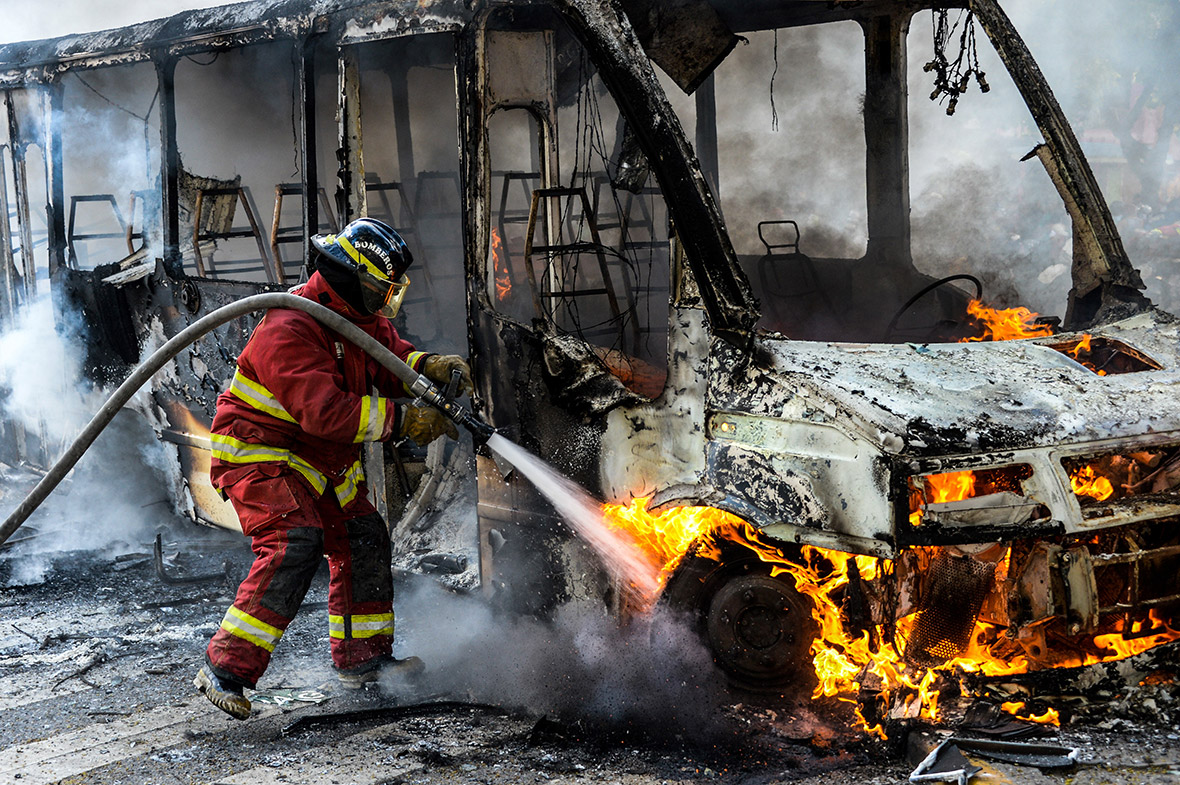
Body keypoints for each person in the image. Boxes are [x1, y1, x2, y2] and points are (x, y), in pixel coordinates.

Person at [193, 217, 471, 720]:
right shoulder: (289, 326)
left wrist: (426, 364)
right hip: (261, 457)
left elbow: (386, 354)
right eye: (381, 289)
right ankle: (225, 669)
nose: (386, 301)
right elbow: (326, 412)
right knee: (294, 541)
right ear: (354, 278)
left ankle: (363, 661)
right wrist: (406, 418)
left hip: (317, 463)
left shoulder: (354, 317)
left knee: (364, 535)